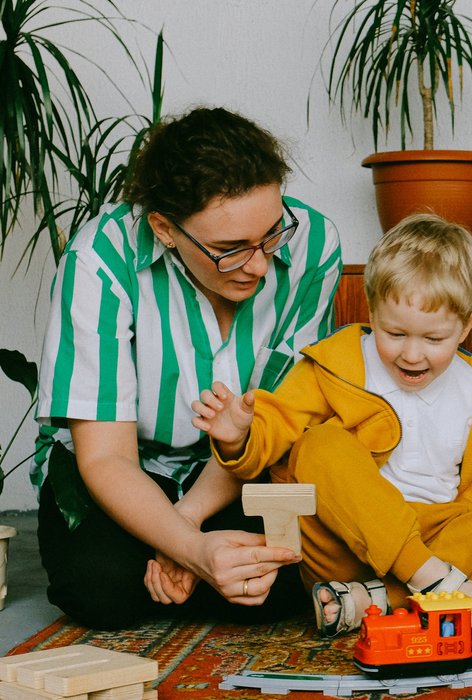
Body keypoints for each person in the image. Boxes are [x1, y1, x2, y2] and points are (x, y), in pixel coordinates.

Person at [33, 107, 343, 629]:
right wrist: (195, 551)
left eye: (271, 234)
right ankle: (184, 570)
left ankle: (184, 566)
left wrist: (187, 525)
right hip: (122, 471)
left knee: (280, 587)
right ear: (165, 229)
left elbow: (279, 420)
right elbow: (106, 458)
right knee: (101, 593)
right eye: (229, 250)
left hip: (243, 466)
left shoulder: (314, 245)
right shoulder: (99, 260)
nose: (261, 265)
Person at [191, 212, 472, 637]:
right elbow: (277, 427)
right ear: (372, 309)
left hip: (444, 543)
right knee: (320, 445)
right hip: (345, 543)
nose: (412, 355)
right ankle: (430, 583)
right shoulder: (337, 363)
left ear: (468, 325)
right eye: (394, 333)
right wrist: (239, 437)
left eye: (433, 340)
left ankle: (376, 601)